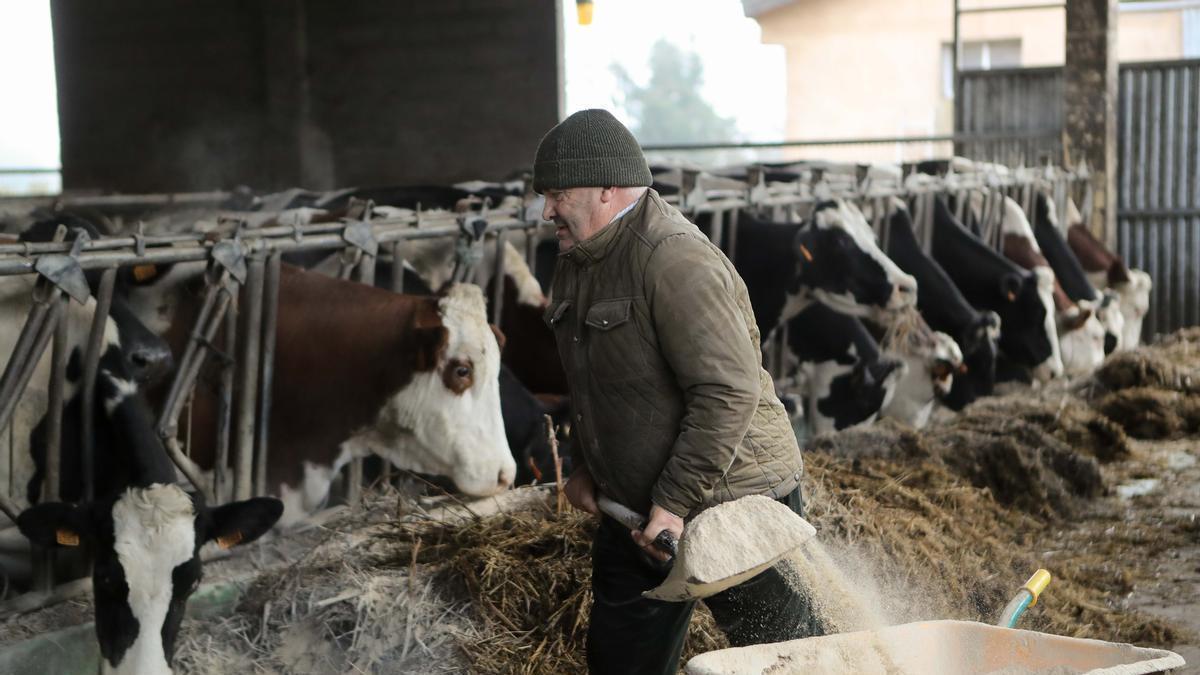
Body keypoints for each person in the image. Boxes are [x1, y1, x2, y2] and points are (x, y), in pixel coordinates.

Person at [533, 109, 825, 675]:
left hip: (731, 500)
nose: (547, 210)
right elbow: (597, 378)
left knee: (785, 661)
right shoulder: (578, 259)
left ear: (608, 189)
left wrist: (673, 502)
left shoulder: (674, 260)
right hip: (635, 513)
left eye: (559, 194)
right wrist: (590, 464)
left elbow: (726, 392)